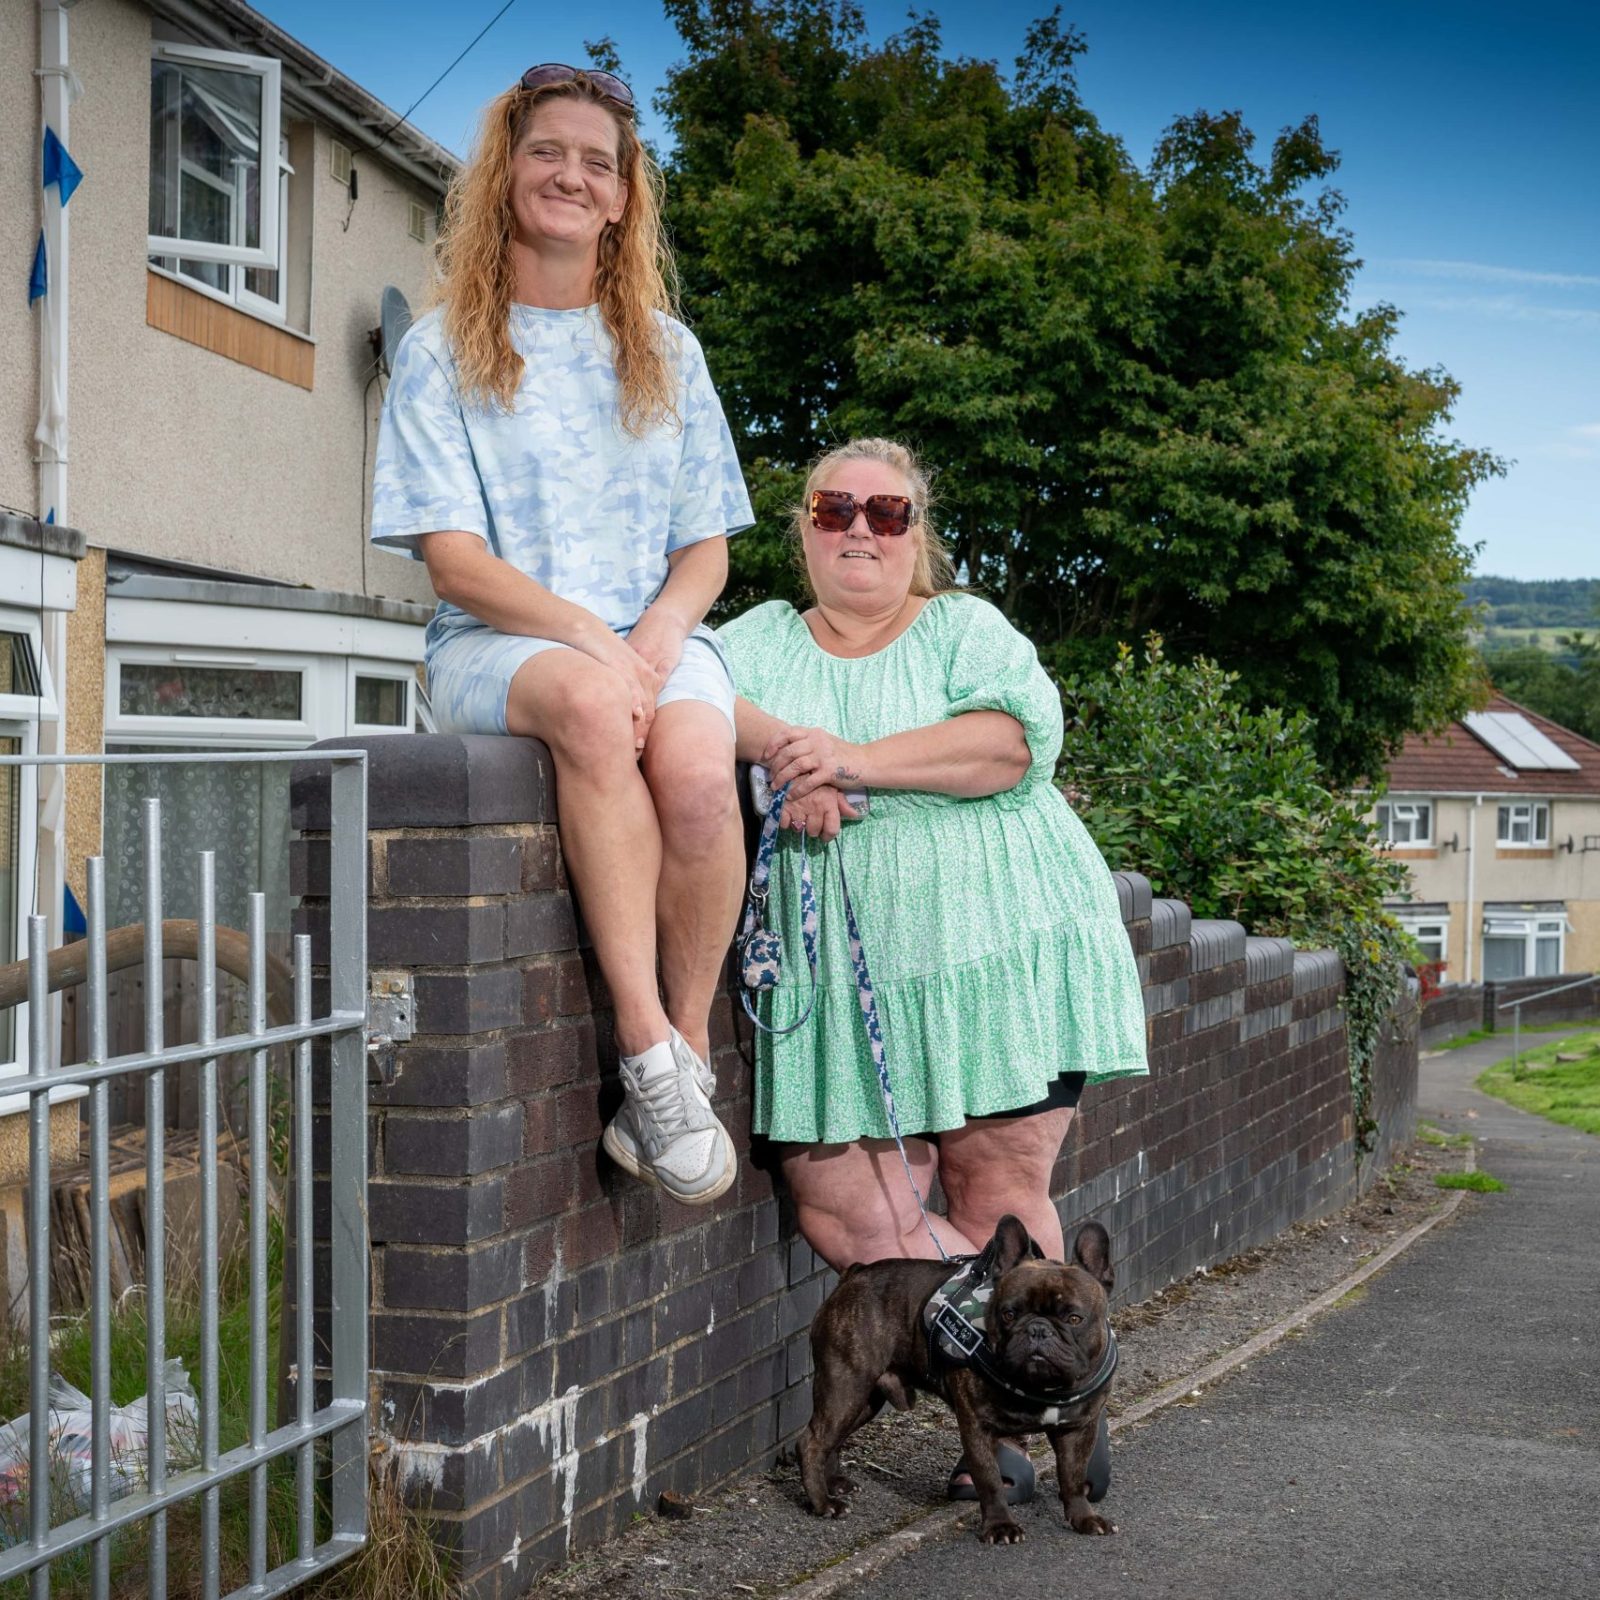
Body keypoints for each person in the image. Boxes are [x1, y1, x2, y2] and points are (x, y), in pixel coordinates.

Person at [718, 438, 1148, 1500]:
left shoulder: (964, 626)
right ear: (803, 528)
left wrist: (849, 760)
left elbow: (1008, 746)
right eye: (834, 508)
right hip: (834, 986)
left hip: (994, 955)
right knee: (852, 1221)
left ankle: (1039, 1407)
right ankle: (991, 1395)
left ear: (918, 534)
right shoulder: (751, 643)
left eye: (888, 512)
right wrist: (788, 755)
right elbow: (677, 699)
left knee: (998, 1192)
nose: (859, 527)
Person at [370, 65, 752, 1205]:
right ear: (507, 169)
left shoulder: (669, 353)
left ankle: (679, 1058)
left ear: (625, 198)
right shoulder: (442, 349)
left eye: (597, 162)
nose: (570, 176)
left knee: (694, 772)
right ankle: (644, 1042)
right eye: (548, 151)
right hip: (501, 640)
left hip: (651, 628)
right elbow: (456, 563)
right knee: (593, 710)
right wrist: (594, 641)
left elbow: (706, 552)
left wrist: (658, 636)